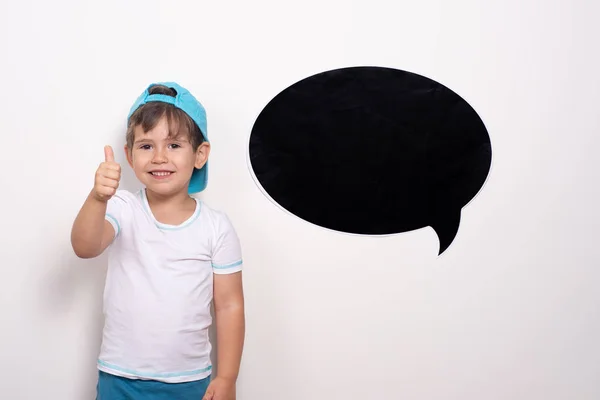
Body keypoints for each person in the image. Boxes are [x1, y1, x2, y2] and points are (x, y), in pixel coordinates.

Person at [71, 82, 245, 400]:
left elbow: (229, 305)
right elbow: (84, 247)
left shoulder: (216, 227)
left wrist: (227, 377)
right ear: (129, 155)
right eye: (146, 146)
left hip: (191, 382)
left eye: (174, 145)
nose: (159, 157)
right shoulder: (121, 208)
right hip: (119, 378)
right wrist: (97, 198)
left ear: (200, 154)